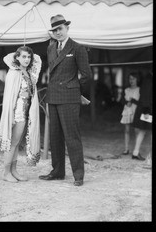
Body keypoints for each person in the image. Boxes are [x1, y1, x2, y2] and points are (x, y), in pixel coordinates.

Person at [39, 14, 92, 186]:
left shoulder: (77, 48)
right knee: (55, 137)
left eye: (60, 29)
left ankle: (78, 175)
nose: (57, 32)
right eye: (54, 30)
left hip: (69, 97)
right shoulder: (51, 48)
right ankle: (57, 172)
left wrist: (73, 89)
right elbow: (52, 72)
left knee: (72, 137)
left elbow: (86, 75)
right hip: (53, 96)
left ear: (67, 28)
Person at [0, 46, 42, 182]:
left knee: (16, 143)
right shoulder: (14, 73)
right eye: (23, 57)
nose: (27, 60)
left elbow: (37, 60)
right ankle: (6, 172)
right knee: (12, 143)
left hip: (26, 110)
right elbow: (9, 97)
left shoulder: (27, 73)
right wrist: (10, 117)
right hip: (17, 112)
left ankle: (13, 170)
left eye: (28, 57)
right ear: (17, 58)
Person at [132, 71, 152, 162]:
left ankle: (135, 153)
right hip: (147, 109)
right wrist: (146, 111)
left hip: (146, 108)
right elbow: (145, 96)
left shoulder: (147, 80)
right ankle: (149, 156)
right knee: (144, 131)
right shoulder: (148, 81)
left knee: (142, 131)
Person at [120, 72, 140, 155]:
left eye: (133, 79)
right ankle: (126, 149)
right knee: (127, 130)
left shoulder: (140, 90)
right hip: (127, 111)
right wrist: (126, 102)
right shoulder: (126, 90)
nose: (131, 80)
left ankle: (136, 149)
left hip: (136, 111)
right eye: (130, 79)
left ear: (137, 80)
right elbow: (121, 100)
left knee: (137, 131)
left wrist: (133, 101)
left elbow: (141, 102)